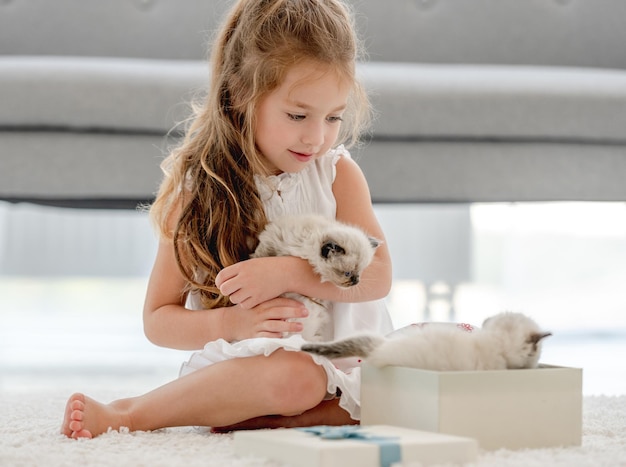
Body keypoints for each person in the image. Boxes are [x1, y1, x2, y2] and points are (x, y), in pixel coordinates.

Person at [61, 0, 393, 439]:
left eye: (334, 117)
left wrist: (289, 273)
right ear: (240, 92)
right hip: (260, 366)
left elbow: (378, 278)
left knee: (407, 387)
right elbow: (158, 319)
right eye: (297, 115)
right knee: (297, 379)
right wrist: (231, 324)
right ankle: (131, 414)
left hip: (347, 362)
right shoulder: (200, 193)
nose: (317, 137)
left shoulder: (337, 176)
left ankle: (263, 416)